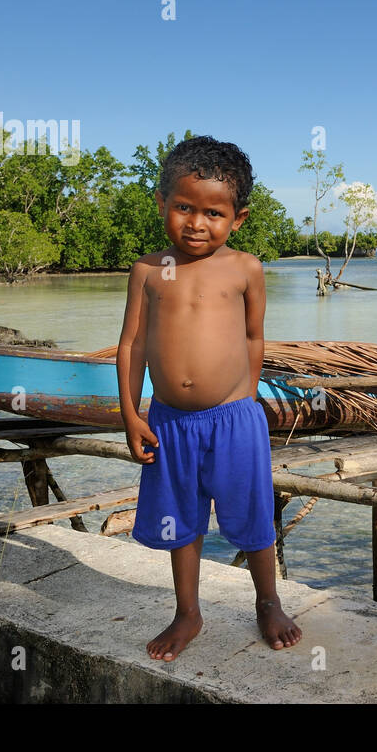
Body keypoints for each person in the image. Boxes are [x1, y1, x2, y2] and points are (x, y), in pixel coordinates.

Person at [116, 135, 302, 660]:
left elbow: (252, 336)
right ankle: (187, 613)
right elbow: (131, 345)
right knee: (180, 520)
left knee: (251, 514)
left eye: (213, 214)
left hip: (234, 419)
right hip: (169, 421)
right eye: (183, 207)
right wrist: (130, 415)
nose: (196, 224)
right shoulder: (149, 271)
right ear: (161, 204)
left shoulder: (245, 268)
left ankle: (268, 601)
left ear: (237, 219)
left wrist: (244, 397)